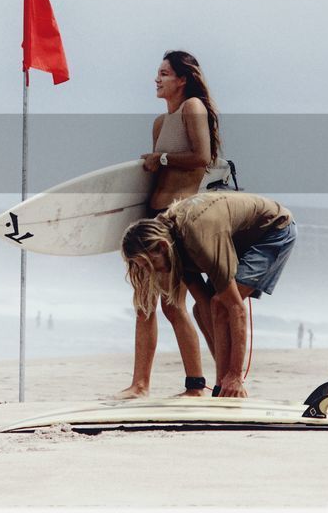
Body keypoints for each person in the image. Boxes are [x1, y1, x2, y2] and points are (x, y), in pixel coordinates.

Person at [116, 51, 222, 399]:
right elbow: (154, 172)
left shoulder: (193, 107)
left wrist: (159, 158)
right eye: (157, 73)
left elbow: (202, 158)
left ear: (182, 78)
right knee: (144, 301)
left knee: (172, 304)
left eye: (163, 73)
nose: (156, 79)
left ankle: (196, 385)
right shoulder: (160, 123)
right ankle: (140, 384)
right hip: (152, 216)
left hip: (175, 221)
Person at [121, 190, 296, 398]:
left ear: (161, 247)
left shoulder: (198, 238)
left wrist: (234, 375)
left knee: (222, 303)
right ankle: (222, 386)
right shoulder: (169, 238)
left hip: (273, 230)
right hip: (236, 233)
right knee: (202, 308)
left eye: (152, 264)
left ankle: (232, 382)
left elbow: (237, 309)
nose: (153, 272)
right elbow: (205, 303)